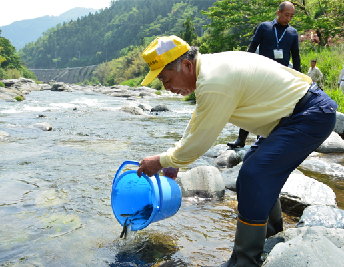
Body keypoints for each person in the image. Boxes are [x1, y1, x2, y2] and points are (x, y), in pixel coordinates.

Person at [137, 35, 337, 267]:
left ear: (187, 65)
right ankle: (272, 237)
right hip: (291, 117)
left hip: (309, 115)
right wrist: (175, 158)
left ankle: (244, 261)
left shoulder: (213, 81)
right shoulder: (208, 70)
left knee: (255, 174)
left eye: (166, 79)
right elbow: (198, 120)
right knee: (250, 172)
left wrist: (160, 161)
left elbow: (200, 141)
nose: (167, 88)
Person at [228, 1, 301, 149]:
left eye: (291, 16)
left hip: (281, 77)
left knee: (273, 109)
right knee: (251, 106)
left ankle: (262, 141)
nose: (289, 18)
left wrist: (299, 76)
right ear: (278, 12)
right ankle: (241, 140)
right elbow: (252, 48)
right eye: (286, 15)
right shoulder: (264, 27)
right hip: (261, 75)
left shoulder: (292, 33)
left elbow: (296, 56)